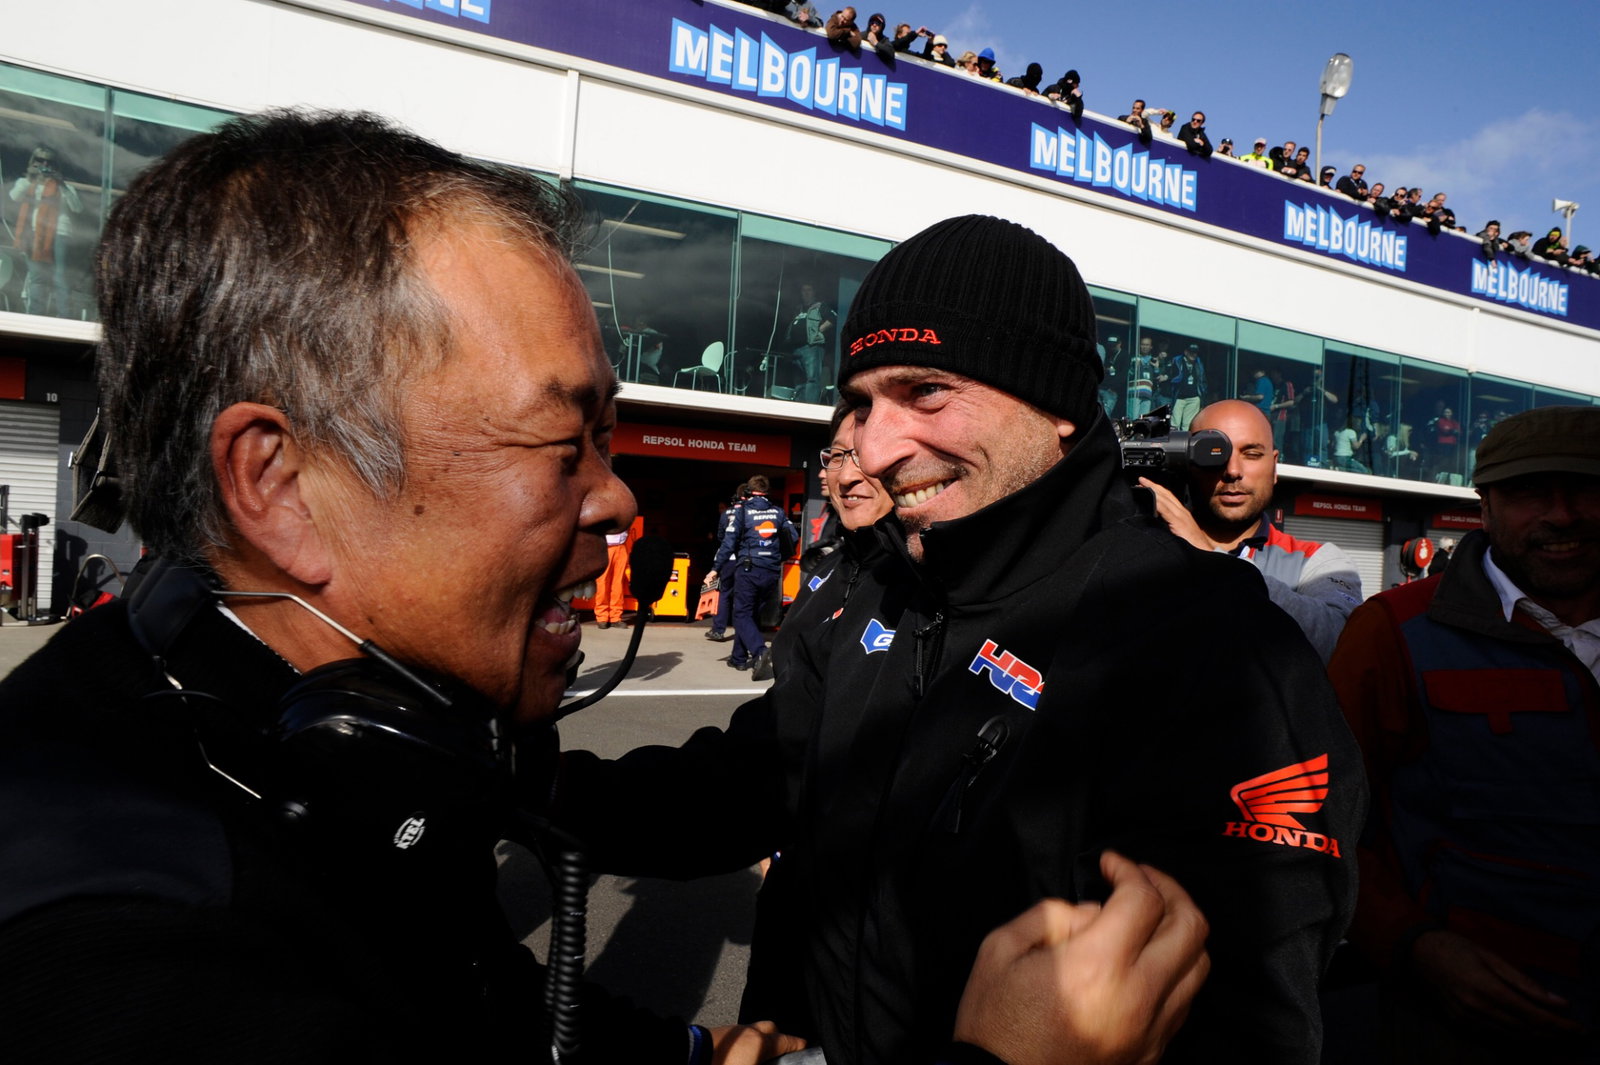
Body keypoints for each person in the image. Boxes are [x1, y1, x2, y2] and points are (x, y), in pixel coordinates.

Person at [0, 108, 804, 1064]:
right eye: (562, 445)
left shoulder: (360, 718)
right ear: (282, 486)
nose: (618, 498)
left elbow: (469, 998)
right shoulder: (128, 968)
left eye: (609, 439)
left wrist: (688, 1052)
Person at [559, 215, 1362, 1065]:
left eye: (926, 392)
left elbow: (1249, 1025)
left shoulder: (1213, 647)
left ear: (1054, 406)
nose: (873, 446)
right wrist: (513, 781)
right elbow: (746, 785)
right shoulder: (882, 587)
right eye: (861, 403)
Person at [1328, 405, 1600, 1063]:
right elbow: (1314, 820)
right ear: (1484, 505)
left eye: (1586, 487)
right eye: (1529, 491)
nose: (1561, 514)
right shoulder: (1391, 632)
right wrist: (1412, 945)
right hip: (1464, 1033)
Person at [1141, 400, 1363, 662]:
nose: (1233, 471)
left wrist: (1209, 557)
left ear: (1274, 466)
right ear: (1188, 463)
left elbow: (1343, 645)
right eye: (1213, 451)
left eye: (1252, 454)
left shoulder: (1317, 560)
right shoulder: (1146, 546)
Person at [714, 474, 796, 677]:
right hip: (771, 572)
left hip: (749, 569)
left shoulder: (743, 512)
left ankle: (759, 651)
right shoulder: (778, 512)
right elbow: (792, 537)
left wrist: (716, 567)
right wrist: (778, 558)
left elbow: (728, 541)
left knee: (741, 614)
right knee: (750, 615)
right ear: (767, 492)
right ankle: (738, 659)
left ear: (749, 492)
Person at [8, 143, 84, 318]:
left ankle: (64, 317)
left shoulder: (63, 187)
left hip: (60, 234)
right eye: (40, 161)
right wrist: (30, 177)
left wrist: (61, 183)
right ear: (33, 162)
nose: (45, 165)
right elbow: (14, 197)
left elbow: (77, 208)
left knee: (60, 277)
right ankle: (36, 316)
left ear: (55, 165)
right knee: (37, 278)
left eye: (49, 162)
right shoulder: (26, 183)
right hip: (34, 236)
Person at [706, 483, 749, 643]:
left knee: (724, 594)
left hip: (727, 560)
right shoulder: (751, 512)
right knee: (743, 596)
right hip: (745, 560)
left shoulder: (726, 513)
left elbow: (720, 536)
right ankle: (744, 630)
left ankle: (718, 630)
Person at [787, 280, 836, 404]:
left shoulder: (819, 306)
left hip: (811, 347)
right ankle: (799, 407)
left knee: (812, 379)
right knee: (799, 382)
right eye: (803, 290)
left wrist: (818, 332)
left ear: (814, 293)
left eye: (809, 290)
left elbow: (832, 318)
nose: (806, 293)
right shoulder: (798, 309)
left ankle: (810, 407)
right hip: (796, 349)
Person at [593, 520, 639, 628]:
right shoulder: (605, 508)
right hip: (605, 547)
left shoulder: (624, 510)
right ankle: (602, 617)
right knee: (602, 582)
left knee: (618, 584)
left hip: (621, 547)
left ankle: (615, 617)